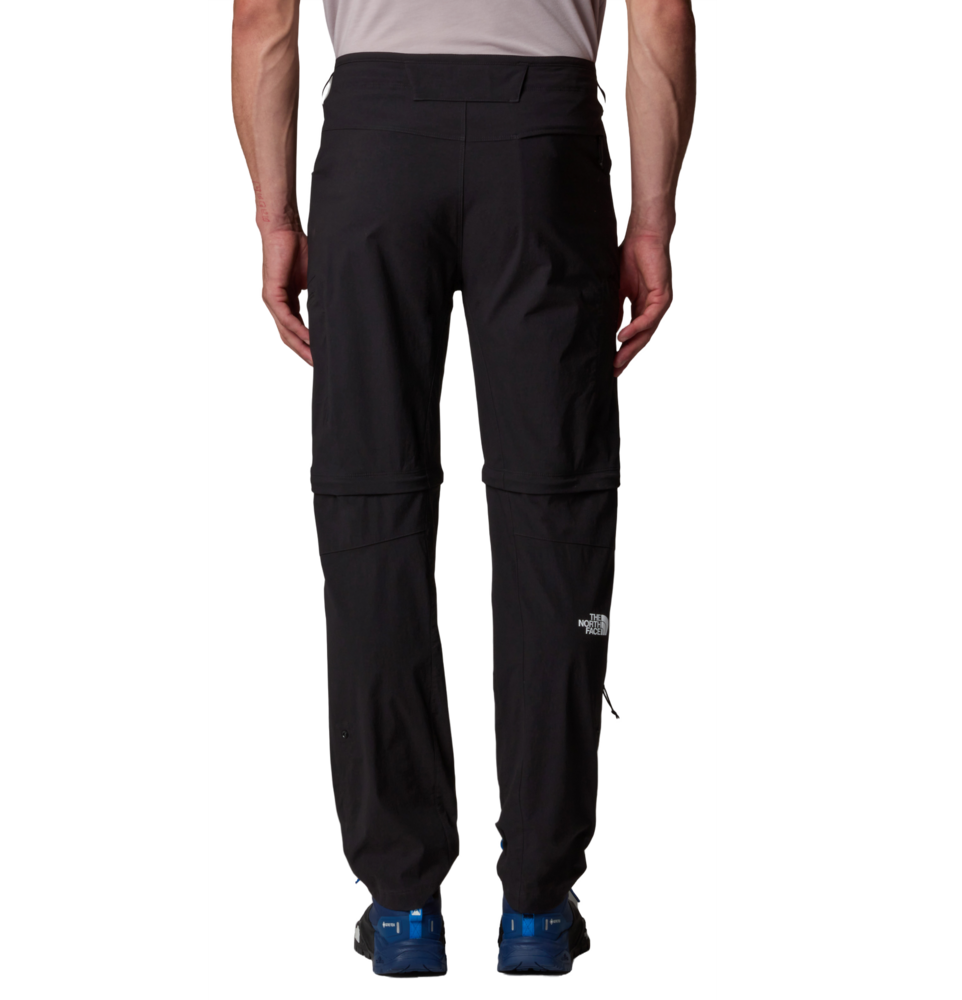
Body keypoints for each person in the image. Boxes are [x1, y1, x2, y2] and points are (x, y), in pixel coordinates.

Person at [229, 0, 698, 978]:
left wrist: (274, 220)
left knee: (371, 504)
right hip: (545, 145)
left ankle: (403, 910)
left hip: (374, 142)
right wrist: (652, 220)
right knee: (556, 509)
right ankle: (537, 908)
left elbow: (263, 19)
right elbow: (660, 12)